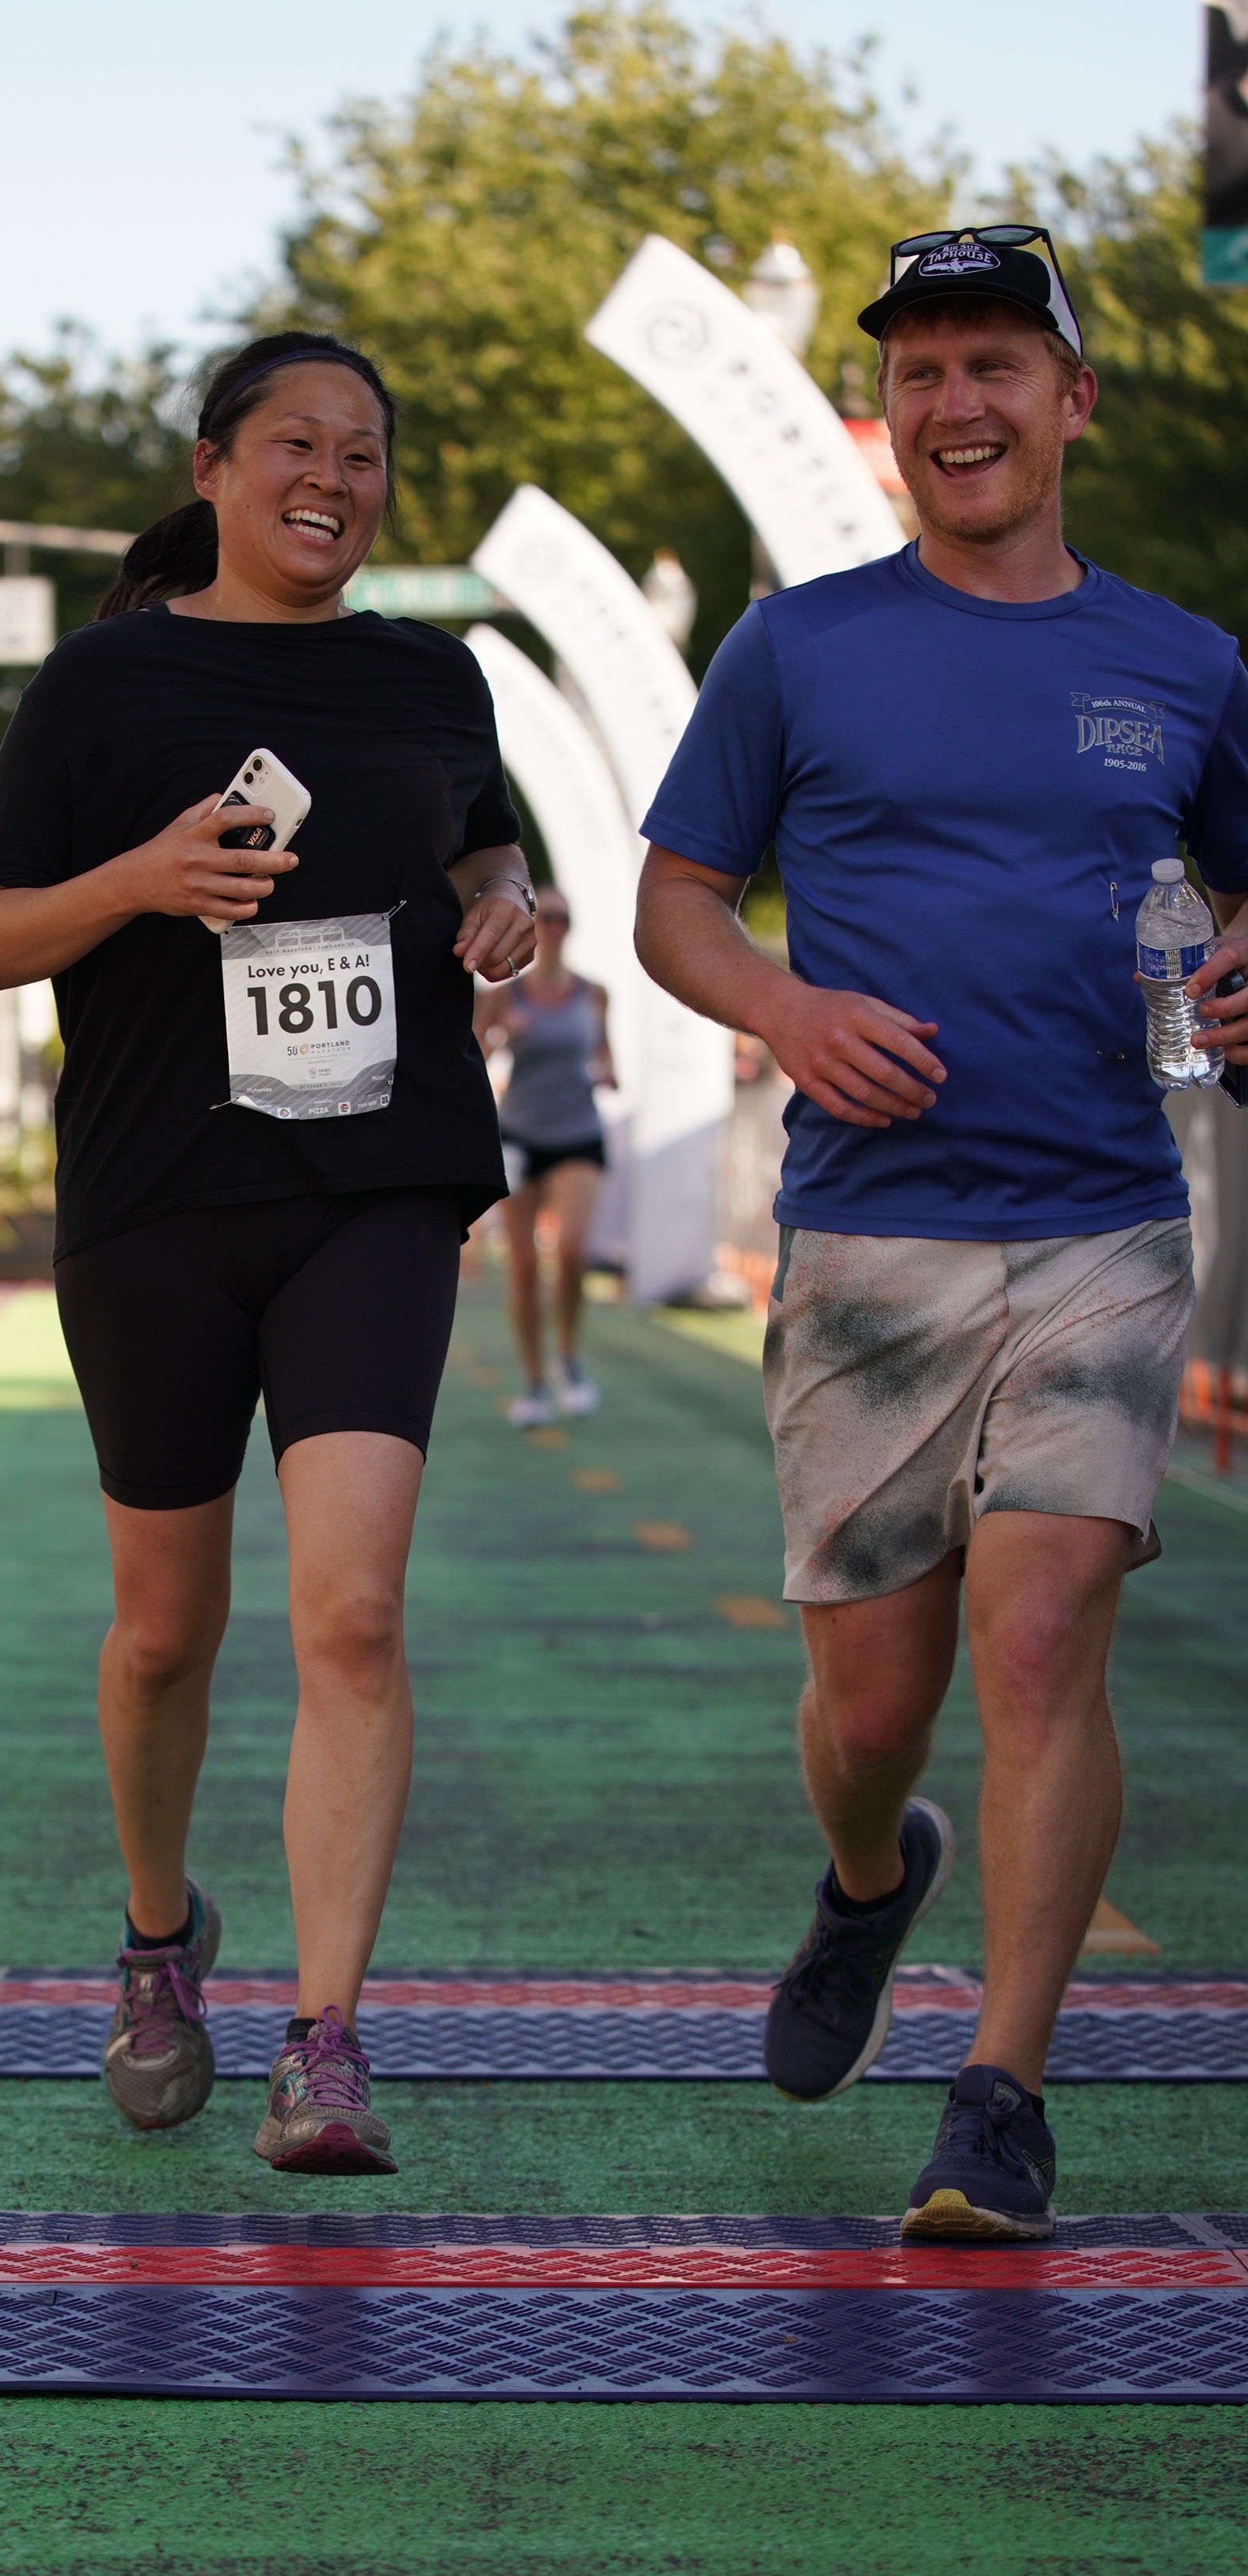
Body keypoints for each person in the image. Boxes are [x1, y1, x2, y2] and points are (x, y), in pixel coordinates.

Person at [634, 223, 1248, 2241]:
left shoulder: (1185, 665)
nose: (954, 402)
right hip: (867, 1244)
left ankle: (1000, 2093)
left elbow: (1241, 899)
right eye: (919, 371)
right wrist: (784, 1008)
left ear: (1071, 400)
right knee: (872, 1713)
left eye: (995, 365)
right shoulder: (793, 648)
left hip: (1099, 1224)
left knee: (1046, 1636)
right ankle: (866, 1871)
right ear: (884, 413)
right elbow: (675, 904)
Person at [0, 329, 534, 2177]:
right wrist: (138, 879)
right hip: (160, 1200)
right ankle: (154, 1941)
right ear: (211, 468)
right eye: (295, 444)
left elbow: (484, 856)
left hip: (376, 1184)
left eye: (362, 453)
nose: (330, 480)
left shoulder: (430, 677)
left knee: (350, 1612)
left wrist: (508, 906)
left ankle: (324, 2039)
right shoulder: (101, 684)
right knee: (163, 1634)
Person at [474, 890, 615, 1420]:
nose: (554, 926)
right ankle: (533, 1382)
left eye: (563, 919)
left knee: (573, 1249)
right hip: (520, 1135)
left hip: (578, 1131)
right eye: (546, 917)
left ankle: (568, 1357)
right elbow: (471, 1056)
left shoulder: (594, 994)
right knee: (524, 1266)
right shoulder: (504, 994)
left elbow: (607, 1055)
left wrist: (607, 1071)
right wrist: (501, 1035)